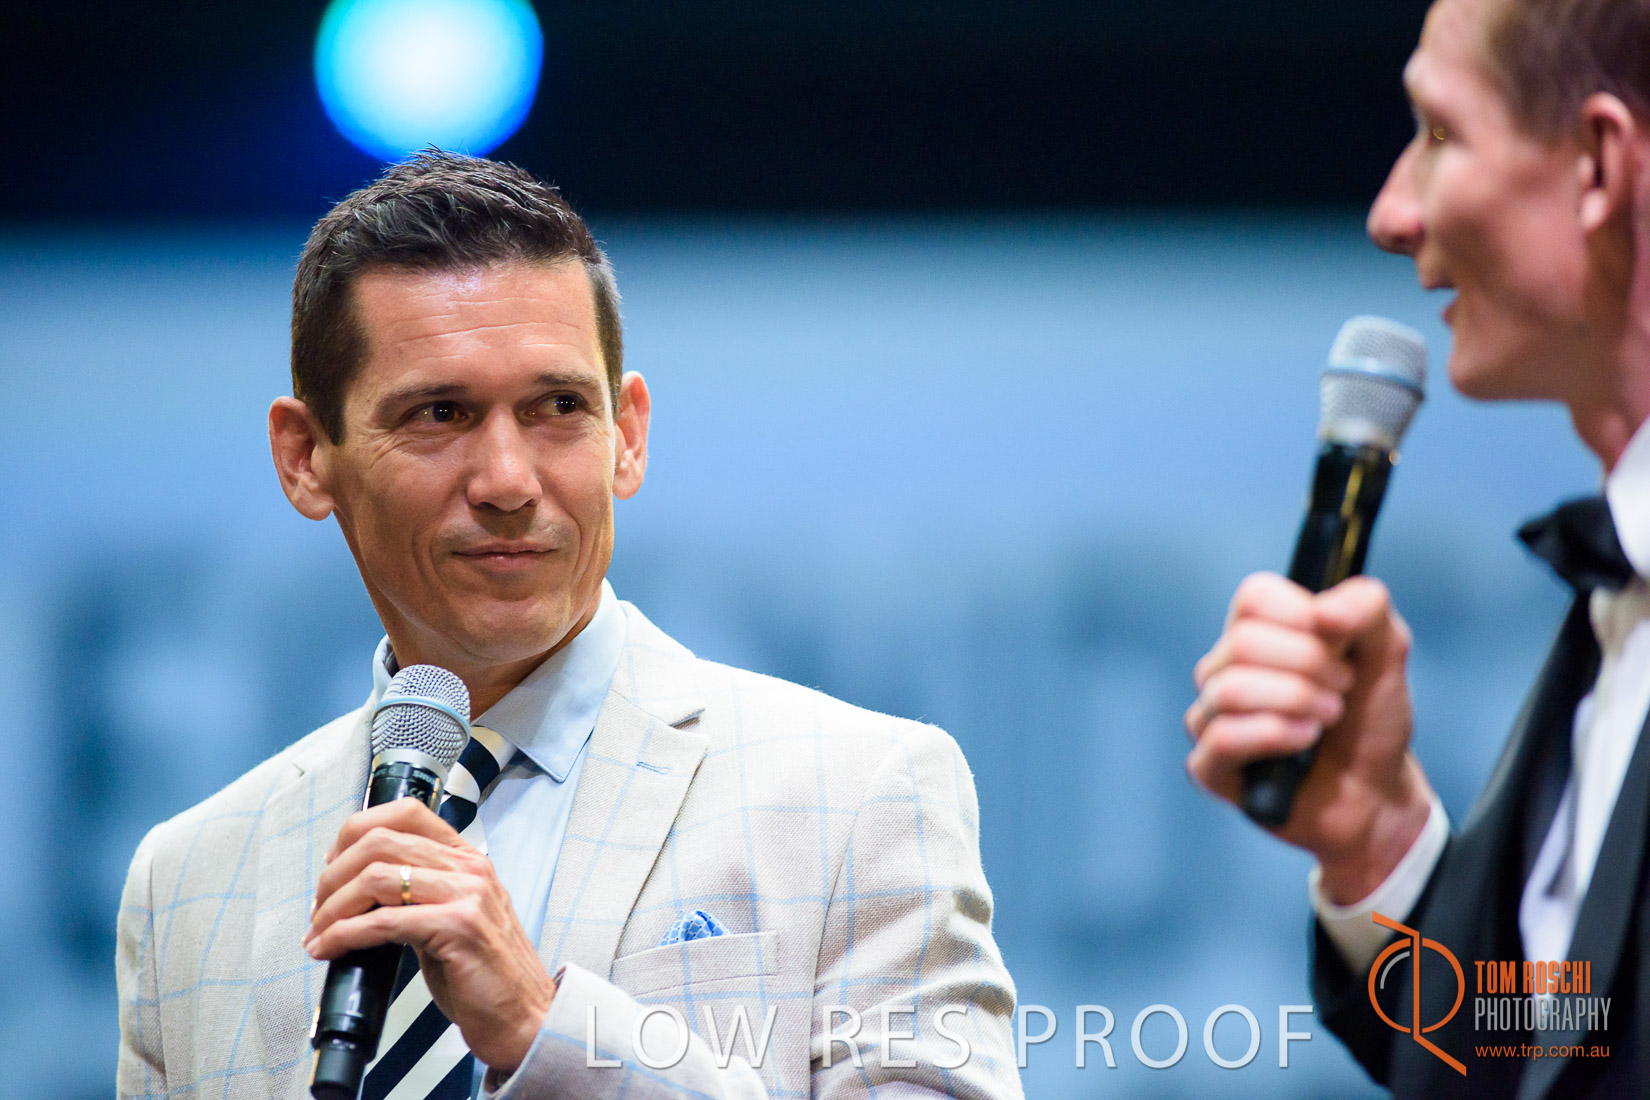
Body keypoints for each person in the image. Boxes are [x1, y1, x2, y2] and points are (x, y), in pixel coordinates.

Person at [114, 151, 1021, 1100]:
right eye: (440, 413)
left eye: (558, 407)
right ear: (305, 457)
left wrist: (541, 1027)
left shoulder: (857, 796)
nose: (509, 481)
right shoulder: (187, 884)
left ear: (627, 433)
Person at [1185, 0, 1650, 1095]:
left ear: (1597, 165)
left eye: (1440, 133)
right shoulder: (1616, 606)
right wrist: (1382, 845)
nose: (1392, 213)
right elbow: (1563, 1041)